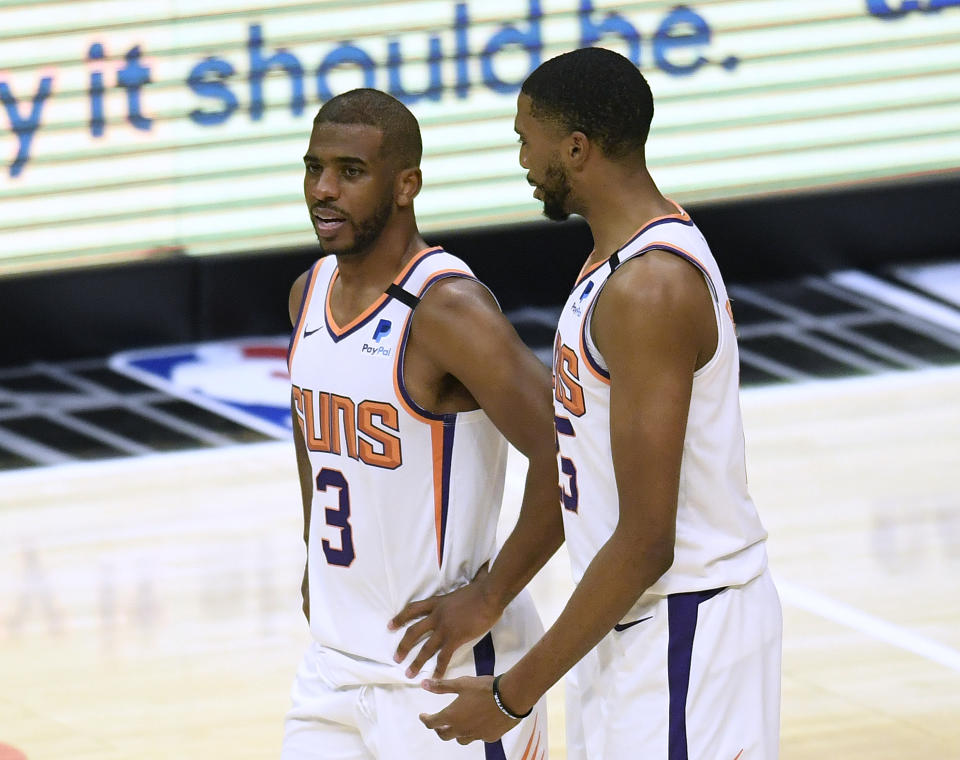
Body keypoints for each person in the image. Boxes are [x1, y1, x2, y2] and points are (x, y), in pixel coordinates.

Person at [394, 48, 783, 758]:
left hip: (685, 630)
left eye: (525, 138)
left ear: (575, 148)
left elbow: (645, 542)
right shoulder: (615, 260)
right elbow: (587, 474)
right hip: (631, 627)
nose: (520, 158)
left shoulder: (649, 289)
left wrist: (515, 692)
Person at [283, 88, 560, 759]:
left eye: (350, 172)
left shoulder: (446, 310)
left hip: (445, 678)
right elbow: (311, 442)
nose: (324, 190)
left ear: (406, 185)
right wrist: (313, 553)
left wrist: (491, 597)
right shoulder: (309, 293)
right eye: (314, 168)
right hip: (333, 668)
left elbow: (570, 453)